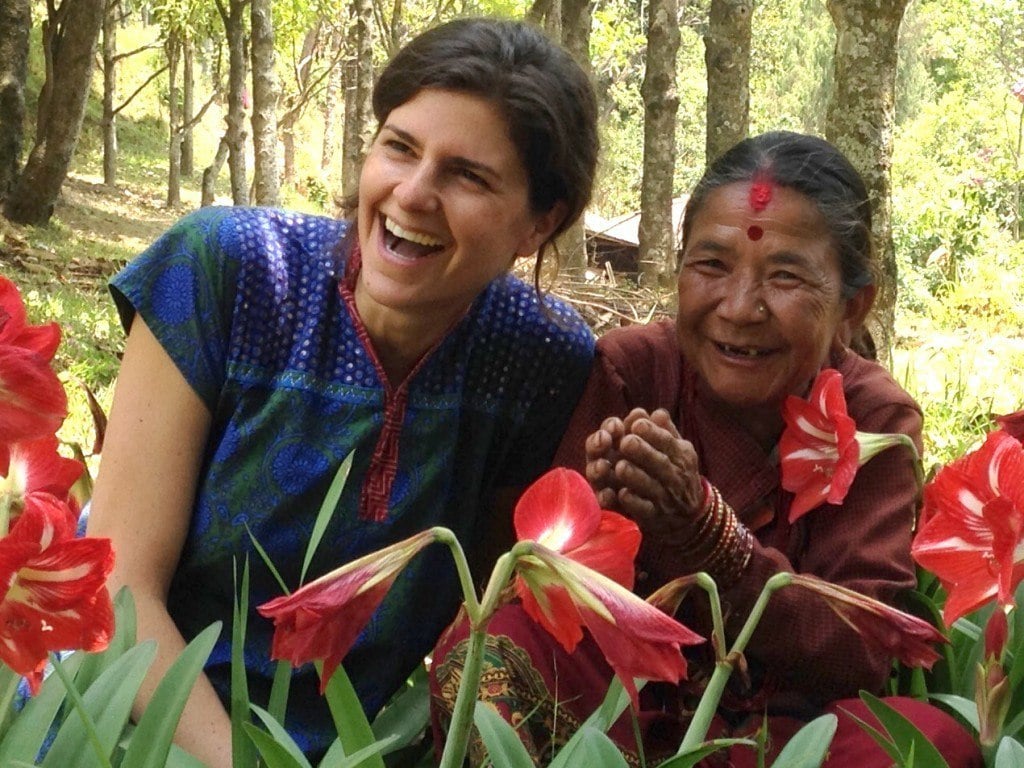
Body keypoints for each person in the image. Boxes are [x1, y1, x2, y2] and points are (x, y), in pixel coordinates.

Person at [86, 17, 598, 767]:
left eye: (469, 175)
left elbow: (485, 620)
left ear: (540, 222)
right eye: (399, 147)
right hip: (121, 716)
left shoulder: (538, 359)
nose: (413, 193)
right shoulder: (225, 271)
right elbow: (119, 590)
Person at [430, 131, 982, 766]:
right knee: (495, 646)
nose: (740, 308)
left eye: (786, 276)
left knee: (928, 741)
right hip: (623, 714)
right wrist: (600, 521)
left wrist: (706, 534)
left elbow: (862, 649)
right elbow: (543, 583)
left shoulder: (874, 419)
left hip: (785, 738)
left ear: (853, 306)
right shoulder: (631, 371)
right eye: (712, 265)